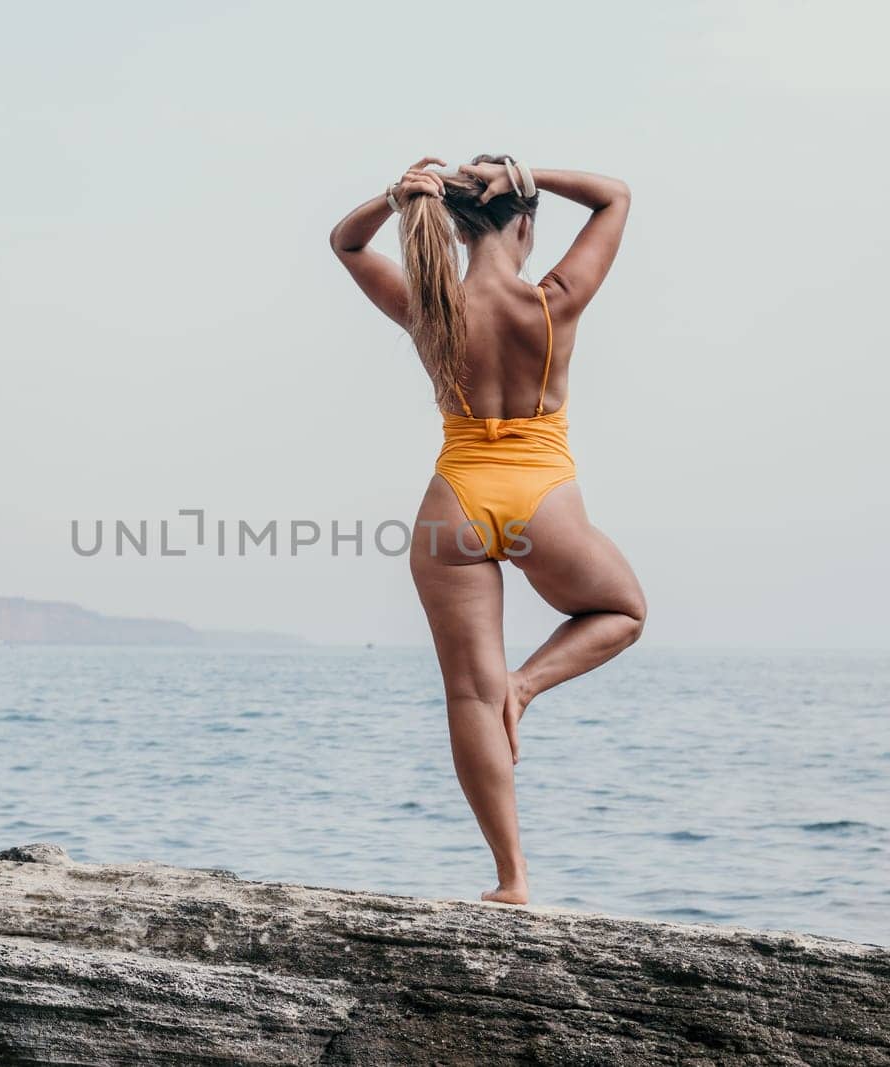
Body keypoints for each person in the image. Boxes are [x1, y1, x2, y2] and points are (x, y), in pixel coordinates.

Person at [329, 154, 647, 905]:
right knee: (624, 610)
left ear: (462, 230)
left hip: (457, 504)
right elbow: (615, 197)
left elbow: (345, 244)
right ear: (526, 225)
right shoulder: (554, 299)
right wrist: (525, 170)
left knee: (469, 696)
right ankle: (527, 684)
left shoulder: (428, 306)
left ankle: (511, 878)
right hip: (544, 501)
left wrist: (394, 197)